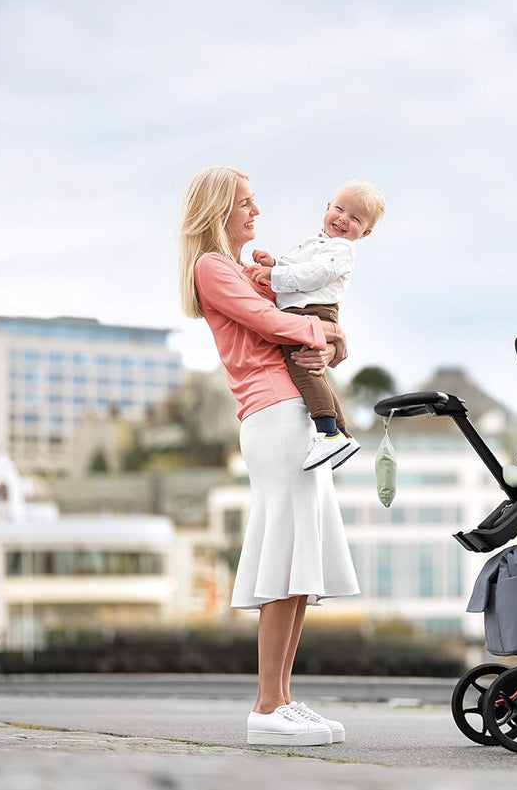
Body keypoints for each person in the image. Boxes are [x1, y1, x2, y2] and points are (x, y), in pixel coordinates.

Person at [178, 166, 360, 747]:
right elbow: (270, 323)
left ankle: (280, 698)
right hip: (274, 414)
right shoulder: (212, 267)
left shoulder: (242, 268)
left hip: (289, 415)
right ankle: (265, 705)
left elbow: (294, 315)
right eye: (246, 205)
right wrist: (322, 335)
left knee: (299, 562)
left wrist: (326, 335)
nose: (256, 213)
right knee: (286, 556)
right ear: (218, 212)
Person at [247, 180, 386, 471]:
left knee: (304, 369)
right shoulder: (319, 242)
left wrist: (273, 275)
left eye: (355, 219)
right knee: (314, 372)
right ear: (327, 207)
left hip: (312, 312)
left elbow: (314, 274)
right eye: (339, 209)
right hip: (305, 311)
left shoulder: (342, 250)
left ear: (366, 232)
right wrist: (276, 263)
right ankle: (342, 432)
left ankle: (327, 432)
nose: (343, 219)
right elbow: (299, 265)